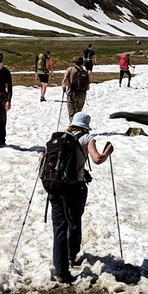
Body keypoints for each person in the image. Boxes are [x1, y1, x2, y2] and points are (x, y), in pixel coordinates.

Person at [49, 112, 114, 284]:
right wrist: (107, 152)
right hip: (74, 187)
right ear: (86, 126)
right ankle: (71, 255)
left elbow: (43, 159)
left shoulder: (59, 137)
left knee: (59, 227)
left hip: (54, 188)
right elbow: (97, 159)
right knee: (74, 221)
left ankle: (61, 271)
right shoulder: (87, 138)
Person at [62, 57, 89, 121]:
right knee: (78, 112)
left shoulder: (70, 69)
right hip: (82, 94)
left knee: (72, 112)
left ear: (74, 62)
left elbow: (63, 81)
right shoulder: (85, 72)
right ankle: (78, 126)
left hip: (72, 93)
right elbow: (88, 87)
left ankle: (73, 127)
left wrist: (64, 88)